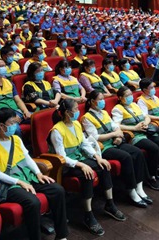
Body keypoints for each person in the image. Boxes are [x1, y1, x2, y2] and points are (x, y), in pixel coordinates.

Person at [0, 108, 68, 240]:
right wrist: (19, 182)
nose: (15, 126)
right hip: (10, 185)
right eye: (12, 123)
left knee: (57, 190)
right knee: (32, 202)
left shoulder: (16, 139)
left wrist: (38, 173)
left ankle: (61, 235)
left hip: (27, 176)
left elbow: (27, 158)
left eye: (15, 122)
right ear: (2, 126)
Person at [49, 99, 126, 236]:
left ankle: (110, 204)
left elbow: (84, 144)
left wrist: (97, 157)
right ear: (67, 113)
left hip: (80, 158)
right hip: (68, 165)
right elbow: (62, 157)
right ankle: (88, 215)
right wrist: (81, 165)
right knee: (87, 174)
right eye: (75, 110)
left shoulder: (76, 124)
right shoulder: (57, 131)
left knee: (104, 166)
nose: (78, 112)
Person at [82, 91, 152, 208]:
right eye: (100, 99)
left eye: (103, 99)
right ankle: (131, 190)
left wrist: (118, 136)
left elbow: (116, 127)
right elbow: (95, 137)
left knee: (137, 152)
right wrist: (114, 135)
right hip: (103, 147)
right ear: (92, 102)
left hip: (115, 141)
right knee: (126, 157)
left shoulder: (104, 113)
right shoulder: (86, 118)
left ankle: (139, 188)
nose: (103, 102)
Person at [111, 86, 159, 190]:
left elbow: (146, 116)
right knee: (154, 148)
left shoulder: (134, 105)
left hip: (145, 131)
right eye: (127, 95)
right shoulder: (117, 109)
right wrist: (134, 128)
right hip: (134, 135)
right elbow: (116, 126)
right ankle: (150, 177)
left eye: (131, 94)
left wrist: (145, 123)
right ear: (120, 98)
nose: (130, 97)